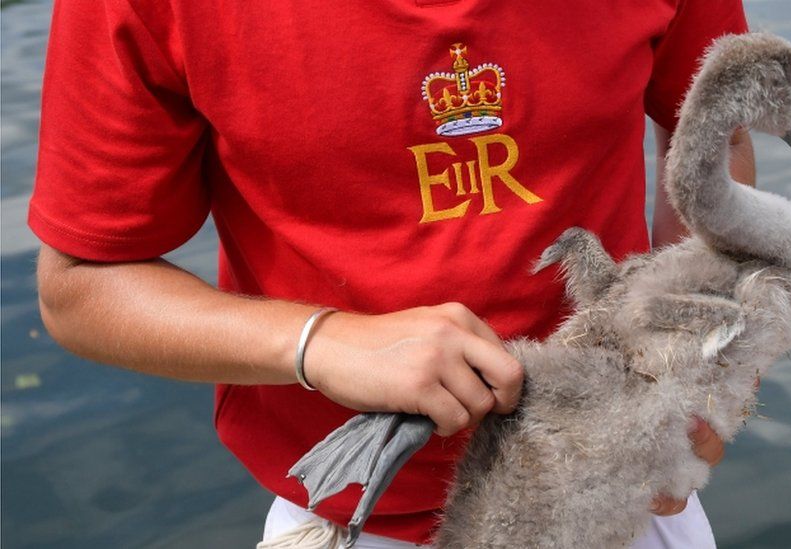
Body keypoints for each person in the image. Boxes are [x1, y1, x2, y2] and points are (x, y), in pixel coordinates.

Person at [30, 0, 754, 547]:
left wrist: (706, 364)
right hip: (355, 513)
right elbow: (81, 284)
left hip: (625, 496)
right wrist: (322, 341)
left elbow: (707, 134)